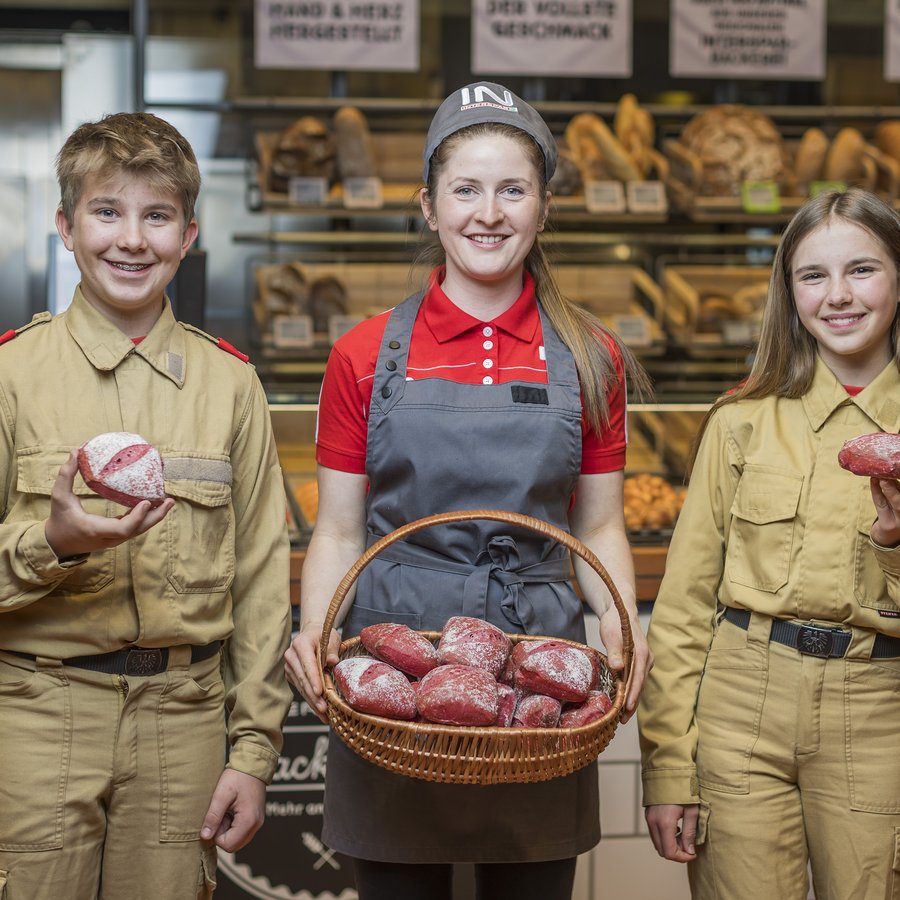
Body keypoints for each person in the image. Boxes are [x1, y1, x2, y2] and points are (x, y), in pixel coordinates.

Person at [283, 81, 652, 900]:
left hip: (536, 669)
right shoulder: (362, 354)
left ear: (544, 208)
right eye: (467, 189)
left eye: (513, 189)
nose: (490, 213)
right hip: (393, 666)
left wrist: (621, 628)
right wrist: (317, 632)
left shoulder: (592, 356)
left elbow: (598, 529)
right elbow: (339, 532)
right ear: (429, 206)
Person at [0, 112, 292, 899]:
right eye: (107, 212)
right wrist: (52, 545)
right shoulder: (12, 376)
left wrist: (252, 753)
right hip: (34, 711)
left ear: (189, 234)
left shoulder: (232, 386)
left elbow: (264, 582)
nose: (132, 239)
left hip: (183, 719)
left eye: (157, 216)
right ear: (64, 225)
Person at [638, 186, 900, 899]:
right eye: (813, 276)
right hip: (741, 702)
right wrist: (668, 767)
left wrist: (894, 544)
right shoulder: (742, 420)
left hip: (880, 709)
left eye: (863, 270)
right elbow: (686, 608)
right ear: (789, 292)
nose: (838, 296)